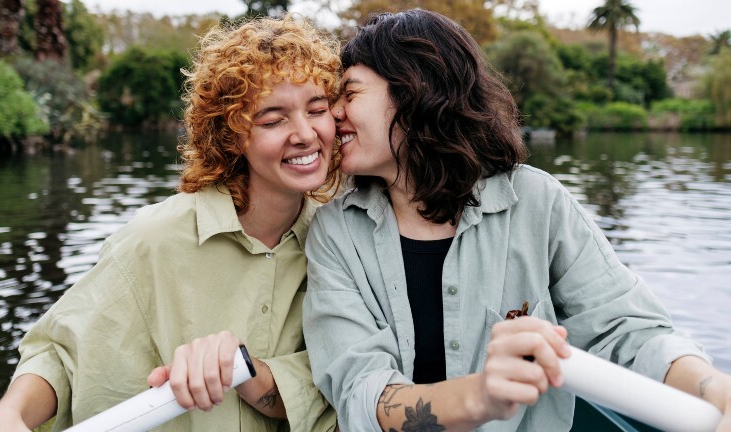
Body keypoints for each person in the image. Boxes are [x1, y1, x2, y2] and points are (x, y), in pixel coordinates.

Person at [302, 9, 731, 432]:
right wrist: (481, 396)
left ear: (414, 91)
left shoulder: (537, 202)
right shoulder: (335, 231)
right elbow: (361, 392)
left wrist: (713, 388)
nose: (332, 112)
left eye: (350, 94)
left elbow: (627, 330)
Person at [0, 15, 341, 432]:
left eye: (317, 110)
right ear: (231, 136)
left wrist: (248, 370)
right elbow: (61, 354)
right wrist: (10, 415)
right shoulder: (153, 237)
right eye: (272, 119)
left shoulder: (341, 239)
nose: (305, 134)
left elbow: (342, 376)